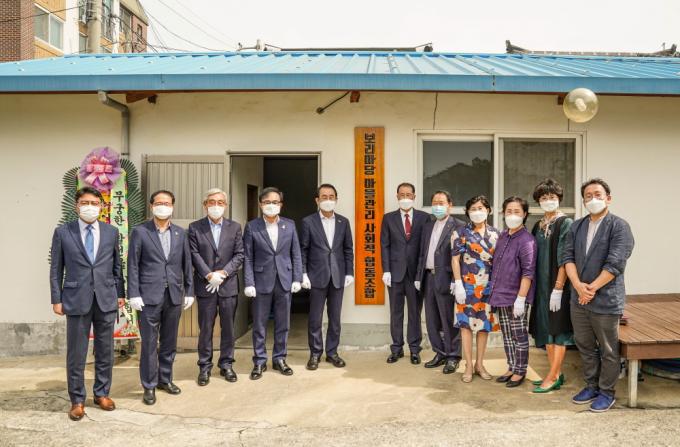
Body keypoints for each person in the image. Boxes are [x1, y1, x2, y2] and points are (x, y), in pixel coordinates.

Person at [49, 187, 125, 421]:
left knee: (105, 351)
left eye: (94, 203)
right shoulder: (63, 232)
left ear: (101, 206)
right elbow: (56, 269)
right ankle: (77, 400)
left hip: (105, 298)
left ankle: (102, 393)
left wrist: (120, 294)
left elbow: (117, 266)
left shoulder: (111, 232)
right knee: (77, 352)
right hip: (75, 299)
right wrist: (56, 299)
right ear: (77, 206)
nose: (89, 207)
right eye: (85, 202)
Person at [563, 178, 634, 412]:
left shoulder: (619, 226)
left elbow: (615, 263)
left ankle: (607, 392)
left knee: (608, 349)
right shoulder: (577, 227)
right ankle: (591, 386)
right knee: (584, 345)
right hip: (579, 299)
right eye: (588, 196)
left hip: (606, 299)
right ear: (583, 201)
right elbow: (567, 257)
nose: (593, 199)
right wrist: (578, 286)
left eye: (598, 194)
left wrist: (591, 288)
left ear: (608, 198)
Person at [127, 190, 194, 405]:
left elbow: (187, 264)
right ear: (152, 206)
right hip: (148, 297)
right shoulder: (140, 232)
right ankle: (149, 385)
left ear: (172, 207)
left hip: (173, 295)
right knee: (148, 343)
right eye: (159, 203)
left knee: (169, 341)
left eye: (167, 203)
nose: (163, 206)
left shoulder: (180, 233)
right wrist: (133, 293)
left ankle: (165, 379)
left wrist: (189, 291)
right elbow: (133, 265)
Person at [243, 187, 302, 380]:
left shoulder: (289, 225)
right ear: (261, 204)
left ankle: (279, 359)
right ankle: (259, 361)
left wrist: (297, 278)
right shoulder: (252, 227)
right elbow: (248, 257)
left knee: (283, 324)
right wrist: (249, 282)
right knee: (259, 324)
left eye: (275, 202)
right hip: (261, 282)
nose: (271, 205)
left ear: (281, 205)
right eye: (267, 202)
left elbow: (296, 254)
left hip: (284, 281)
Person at [188, 188, 244, 385]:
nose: (216, 206)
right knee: (206, 328)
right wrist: (209, 274)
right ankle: (204, 366)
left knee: (228, 328)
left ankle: (226, 364)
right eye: (212, 202)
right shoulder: (195, 227)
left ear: (225, 205)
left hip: (228, 285)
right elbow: (193, 254)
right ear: (205, 205)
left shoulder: (235, 227)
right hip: (206, 286)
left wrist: (224, 273)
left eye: (220, 202)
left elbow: (239, 254)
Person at [300, 184, 354, 370]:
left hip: (338, 276)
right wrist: (303, 273)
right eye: (324, 197)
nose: (328, 200)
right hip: (316, 276)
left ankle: (332, 353)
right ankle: (315, 353)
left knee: (335, 318)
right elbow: (303, 250)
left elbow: (348, 249)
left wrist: (349, 272)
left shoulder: (343, 222)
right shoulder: (308, 222)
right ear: (317, 200)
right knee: (315, 318)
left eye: (331, 197)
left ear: (336, 199)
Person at [529, 179, 574, 394]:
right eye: (544, 198)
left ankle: (553, 376)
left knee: (559, 332)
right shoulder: (538, 226)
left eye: (552, 197)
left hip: (559, 288)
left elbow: (566, 257)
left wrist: (558, 288)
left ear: (559, 199)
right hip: (541, 289)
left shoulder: (565, 223)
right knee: (546, 331)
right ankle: (556, 372)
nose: (548, 201)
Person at [489, 196, 537, 388]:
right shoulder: (503, 236)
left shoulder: (527, 240)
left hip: (516, 296)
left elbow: (528, 272)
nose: (512, 215)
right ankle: (512, 366)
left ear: (524, 214)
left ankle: (520, 371)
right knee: (507, 335)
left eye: (517, 211)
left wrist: (521, 299)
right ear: (503, 213)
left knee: (519, 335)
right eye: (509, 211)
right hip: (500, 295)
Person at [414, 190, 465, 374]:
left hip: (446, 278)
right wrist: (418, 277)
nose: (437, 206)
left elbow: (461, 257)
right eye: (435, 202)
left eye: (441, 202)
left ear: (449, 205)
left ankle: (453, 356)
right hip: (428, 277)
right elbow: (422, 253)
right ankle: (440, 352)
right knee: (432, 319)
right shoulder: (428, 226)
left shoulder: (459, 225)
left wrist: (455, 280)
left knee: (448, 319)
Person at [451, 195, 500, 383]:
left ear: (488, 210)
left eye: (481, 208)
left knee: (483, 326)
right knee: (466, 326)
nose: (477, 212)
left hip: (488, 287)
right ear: (467, 212)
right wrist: (458, 283)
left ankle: (480, 364)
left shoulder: (496, 234)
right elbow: (455, 260)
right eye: (473, 209)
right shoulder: (460, 232)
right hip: (467, 286)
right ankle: (468, 365)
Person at [380, 182, 429, 364]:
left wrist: (421, 273)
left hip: (415, 274)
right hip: (395, 273)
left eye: (409, 195)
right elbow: (384, 246)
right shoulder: (388, 218)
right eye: (402, 195)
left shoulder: (424, 218)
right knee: (396, 312)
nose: (405, 198)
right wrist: (386, 270)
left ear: (414, 197)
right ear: (397, 196)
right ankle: (396, 348)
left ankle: (414, 349)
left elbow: (425, 247)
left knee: (415, 312)